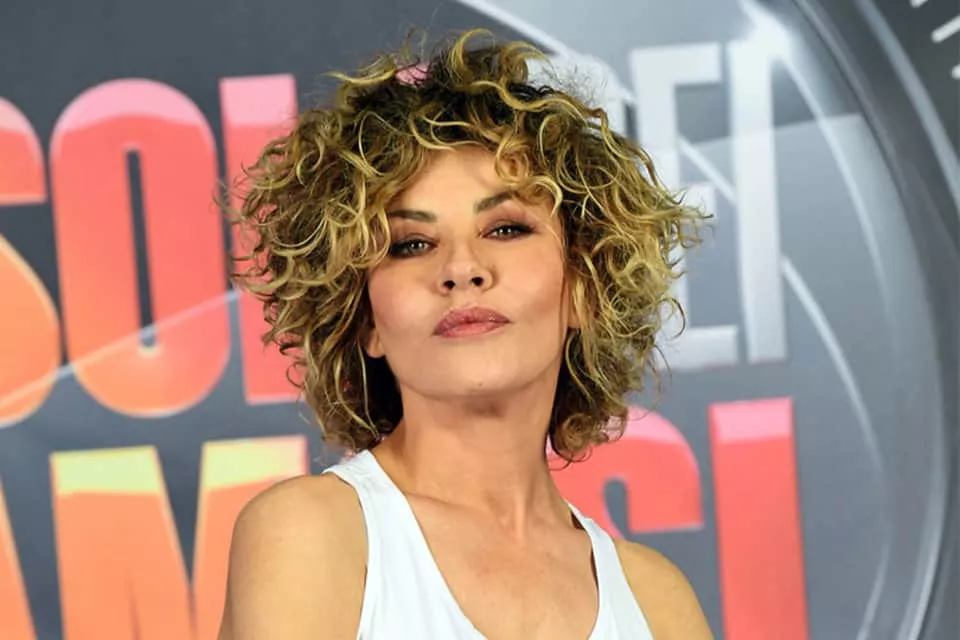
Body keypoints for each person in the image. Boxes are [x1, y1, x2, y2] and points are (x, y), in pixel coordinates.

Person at [218, 28, 713, 640]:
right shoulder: (310, 534)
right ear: (366, 319)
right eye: (411, 244)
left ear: (583, 286)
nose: (461, 269)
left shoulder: (658, 601)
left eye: (505, 229)